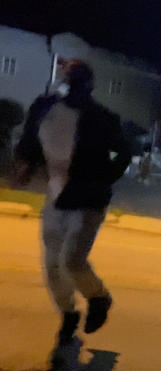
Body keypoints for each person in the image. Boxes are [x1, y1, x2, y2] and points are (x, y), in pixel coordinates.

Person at [13, 60, 132, 346]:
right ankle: (68, 315)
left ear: (88, 86)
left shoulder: (102, 118)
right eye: (68, 78)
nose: (72, 85)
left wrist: (103, 180)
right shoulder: (45, 107)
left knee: (72, 260)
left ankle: (99, 298)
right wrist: (26, 166)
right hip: (56, 196)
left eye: (78, 81)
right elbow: (31, 138)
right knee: (52, 266)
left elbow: (125, 153)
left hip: (88, 199)